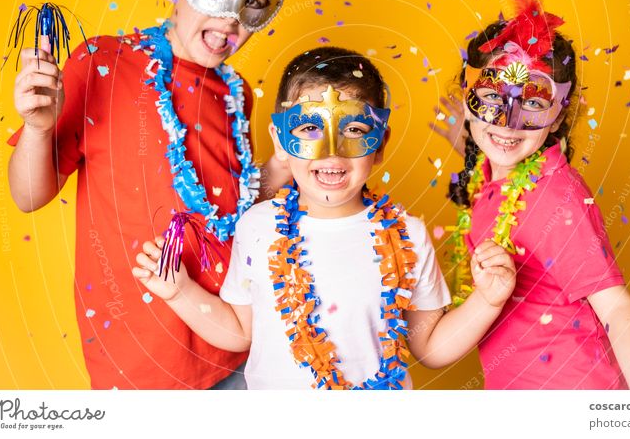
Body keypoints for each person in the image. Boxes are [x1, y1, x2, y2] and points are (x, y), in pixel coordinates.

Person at [8, 0, 291, 389]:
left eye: (252, 4)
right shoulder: (103, 63)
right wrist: (37, 130)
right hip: (141, 367)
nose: (230, 18)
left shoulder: (236, 91)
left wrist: (279, 170)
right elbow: (28, 195)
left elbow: (229, 207)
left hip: (237, 345)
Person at [133, 48, 516, 389]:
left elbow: (430, 346)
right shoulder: (257, 226)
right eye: (309, 127)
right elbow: (239, 331)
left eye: (354, 130)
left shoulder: (408, 235)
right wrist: (179, 291)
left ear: (379, 144)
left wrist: (488, 301)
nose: (331, 152)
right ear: (282, 141)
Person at [441, 0, 630, 389]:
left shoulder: (555, 197)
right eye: (490, 99)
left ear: (559, 117)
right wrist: (472, 139)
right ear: (468, 99)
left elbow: (614, 304)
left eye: (535, 103)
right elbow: (496, 150)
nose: (508, 121)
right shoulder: (492, 175)